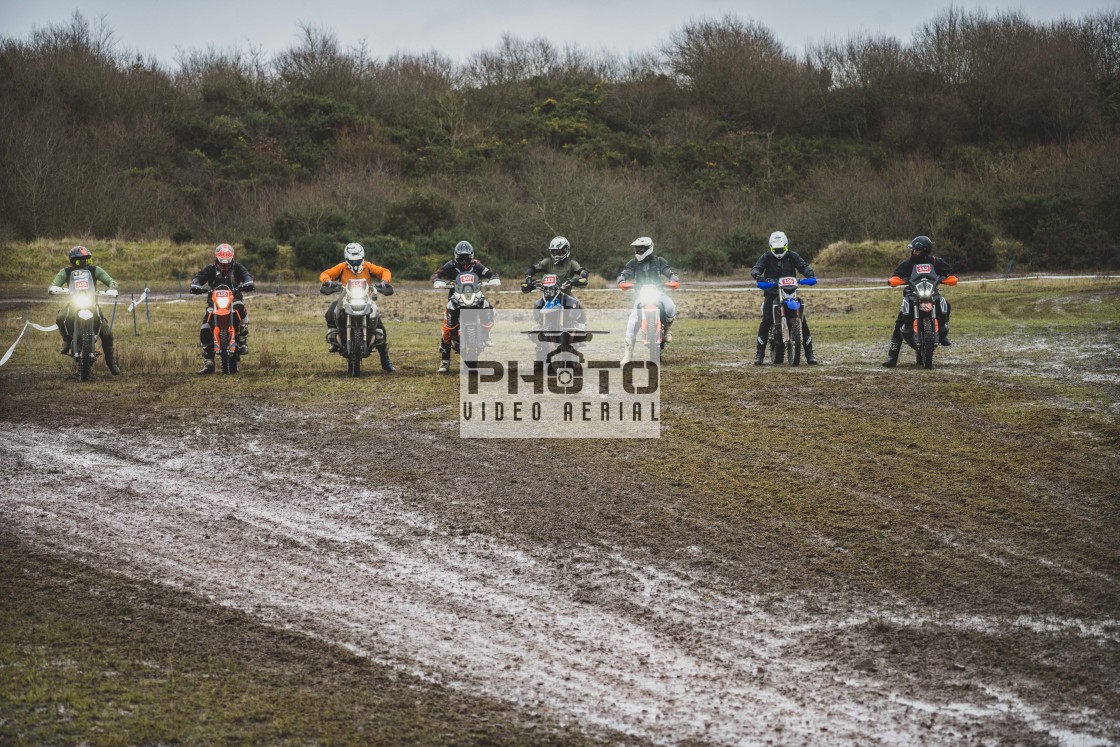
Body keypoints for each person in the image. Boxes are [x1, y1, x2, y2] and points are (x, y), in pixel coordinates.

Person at [319, 242, 395, 372]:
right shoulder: (342, 267)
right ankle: (334, 339)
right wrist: (328, 281)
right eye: (352, 261)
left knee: (380, 327)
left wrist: (384, 282)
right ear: (347, 259)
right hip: (345, 298)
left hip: (366, 299)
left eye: (358, 261)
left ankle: (385, 359)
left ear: (363, 258)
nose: (355, 264)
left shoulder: (368, 266)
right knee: (330, 312)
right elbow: (325, 273)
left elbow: (384, 271)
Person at [882, 235, 956, 367]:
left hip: (931, 292)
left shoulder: (935, 262)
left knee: (946, 304)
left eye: (917, 250)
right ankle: (892, 357)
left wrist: (949, 278)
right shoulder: (908, 263)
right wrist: (895, 279)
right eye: (914, 250)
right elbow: (896, 275)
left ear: (925, 250)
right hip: (912, 294)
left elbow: (949, 273)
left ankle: (942, 331)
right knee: (900, 322)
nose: (914, 252)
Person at [47, 245, 121, 375]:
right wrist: (54, 288)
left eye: (86, 259)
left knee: (107, 333)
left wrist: (112, 287)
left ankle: (110, 361)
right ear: (73, 261)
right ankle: (66, 340)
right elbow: (54, 284)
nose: (83, 262)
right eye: (80, 260)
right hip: (74, 304)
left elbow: (111, 281)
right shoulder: (66, 272)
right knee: (60, 317)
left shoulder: (95, 270)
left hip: (92, 304)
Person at [750, 231, 818, 365]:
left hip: (790, 292)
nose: (779, 251)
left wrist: (809, 275)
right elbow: (756, 268)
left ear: (786, 246)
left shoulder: (792, 256)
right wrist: (758, 276)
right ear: (771, 247)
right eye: (776, 249)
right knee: (767, 319)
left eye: (782, 249)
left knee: (802, 320)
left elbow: (803, 266)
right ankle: (759, 354)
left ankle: (810, 353)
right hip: (772, 292)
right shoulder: (766, 257)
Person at [431, 241, 499, 373]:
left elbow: (490, 273)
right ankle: (445, 362)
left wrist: (494, 278)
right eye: (461, 257)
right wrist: (438, 281)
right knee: (446, 328)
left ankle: (486, 335)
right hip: (455, 298)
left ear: (471, 256)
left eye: (467, 257)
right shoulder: (451, 265)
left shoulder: (477, 265)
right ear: (456, 256)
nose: (464, 260)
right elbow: (436, 274)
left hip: (475, 296)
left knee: (491, 309)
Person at [189, 243, 254, 375]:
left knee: (240, 307)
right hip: (215, 304)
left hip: (234, 300)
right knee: (205, 328)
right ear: (216, 260)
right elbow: (198, 277)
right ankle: (209, 363)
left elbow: (247, 276)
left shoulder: (237, 268)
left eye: (227, 264)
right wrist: (195, 285)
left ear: (232, 260)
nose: (224, 266)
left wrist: (248, 283)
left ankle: (242, 338)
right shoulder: (210, 269)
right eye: (221, 263)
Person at [616, 236, 679, 364]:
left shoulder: (658, 261)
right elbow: (626, 272)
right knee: (632, 320)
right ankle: (628, 354)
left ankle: (667, 330)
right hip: (641, 295)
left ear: (648, 248)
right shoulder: (633, 263)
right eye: (637, 248)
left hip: (658, 293)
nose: (638, 251)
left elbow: (667, 270)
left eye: (641, 248)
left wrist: (673, 277)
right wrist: (621, 279)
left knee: (671, 307)